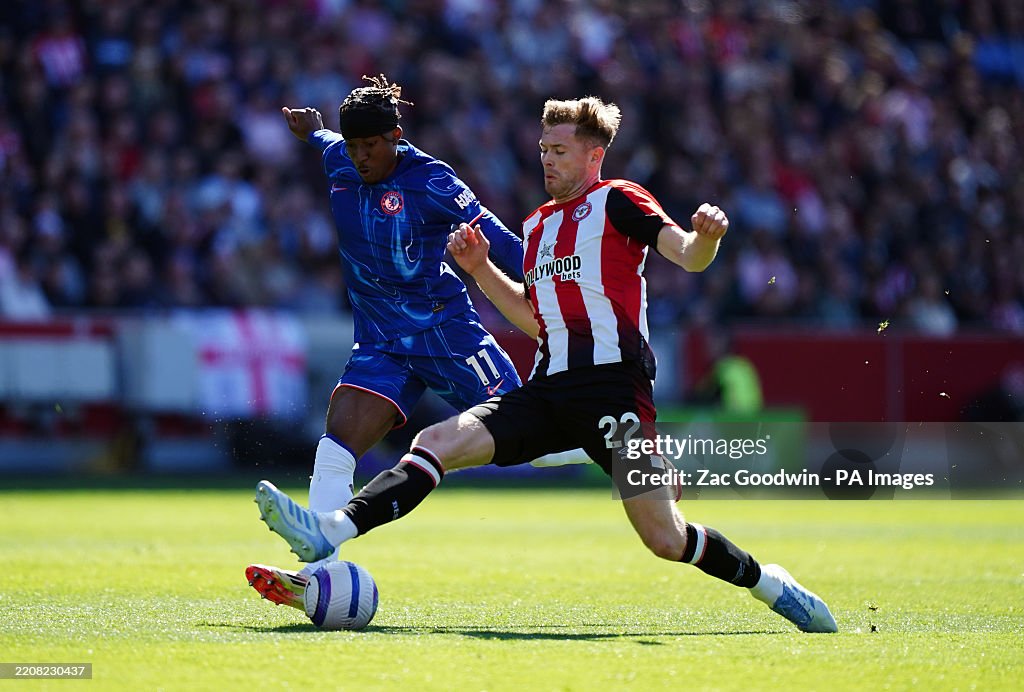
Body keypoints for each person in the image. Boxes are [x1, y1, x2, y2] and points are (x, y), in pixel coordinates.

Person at [254, 96, 837, 633]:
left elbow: (685, 254)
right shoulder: (536, 227)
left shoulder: (619, 200)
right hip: (547, 388)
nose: (547, 161)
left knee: (665, 538)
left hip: (612, 392)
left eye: (559, 151)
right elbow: (532, 313)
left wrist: (706, 237)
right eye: (543, 151)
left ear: (593, 154)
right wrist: (480, 268)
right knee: (436, 441)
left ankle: (770, 583)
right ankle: (330, 528)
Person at [246, 75, 588, 609]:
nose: (360, 157)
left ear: (395, 137)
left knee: (539, 444)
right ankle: (319, 575)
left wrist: (561, 277)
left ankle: (627, 451)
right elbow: (327, 141)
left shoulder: (431, 180)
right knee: (337, 443)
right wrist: (311, 130)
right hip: (381, 342)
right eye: (354, 146)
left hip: (446, 335)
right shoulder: (339, 160)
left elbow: (500, 240)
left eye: (371, 147)